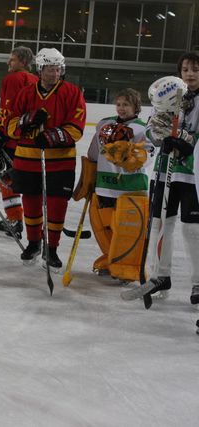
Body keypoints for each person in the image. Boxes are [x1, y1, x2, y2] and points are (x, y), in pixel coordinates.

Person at [5, 48, 87, 270]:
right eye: (50, 69)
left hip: (60, 162)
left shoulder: (72, 92)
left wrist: (52, 136)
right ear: (40, 69)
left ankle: (51, 249)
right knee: (31, 203)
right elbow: (10, 126)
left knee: (56, 205)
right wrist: (27, 120)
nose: (55, 73)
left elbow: (77, 127)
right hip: (26, 159)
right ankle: (33, 243)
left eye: (58, 69)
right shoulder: (25, 93)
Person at [72, 89, 152, 282]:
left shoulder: (143, 129)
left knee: (126, 229)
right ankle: (111, 261)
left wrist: (132, 157)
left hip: (132, 188)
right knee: (105, 228)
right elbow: (93, 153)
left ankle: (128, 267)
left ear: (136, 107)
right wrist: (88, 178)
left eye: (126, 105)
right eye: (119, 104)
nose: (121, 108)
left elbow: (148, 156)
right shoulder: (104, 124)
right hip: (104, 185)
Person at [143, 54, 199, 303]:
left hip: (192, 173)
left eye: (195, 69)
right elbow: (151, 127)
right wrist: (160, 136)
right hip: (164, 169)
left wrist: (187, 142)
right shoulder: (168, 93)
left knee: (192, 228)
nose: (190, 74)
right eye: (185, 69)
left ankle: (198, 282)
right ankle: (160, 275)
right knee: (159, 224)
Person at [0, 46, 38, 240]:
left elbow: (8, 111)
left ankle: (15, 219)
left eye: (12, 59)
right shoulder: (36, 80)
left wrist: (0, 135)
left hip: (11, 138)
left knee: (6, 179)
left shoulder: (13, 79)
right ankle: (26, 221)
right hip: (30, 140)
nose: (8, 62)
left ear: (23, 62)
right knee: (24, 182)